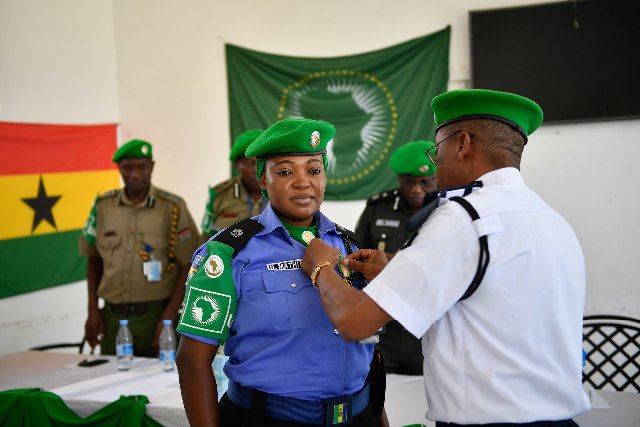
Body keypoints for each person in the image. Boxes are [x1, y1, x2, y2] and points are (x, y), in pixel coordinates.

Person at [300, 89, 591, 426]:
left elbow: (353, 322)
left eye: (437, 150)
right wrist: (396, 273)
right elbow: (491, 302)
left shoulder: (463, 218)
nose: (435, 164)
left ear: (462, 144)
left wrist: (321, 267)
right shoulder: (551, 220)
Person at [175, 118, 389, 427]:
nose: (303, 182)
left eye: (314, 170)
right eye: (286, 172)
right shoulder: (227, 253)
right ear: (263, 180)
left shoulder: (349, 246)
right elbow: (192, 361)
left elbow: (367, 351)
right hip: (270, 418)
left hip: (358, 414)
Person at [79, 139, 200, 357]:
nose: (135, 174)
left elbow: (189, 264)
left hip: (156, 317)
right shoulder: (103, 207)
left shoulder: (172, 208)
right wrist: (92, 310)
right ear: (120, 169)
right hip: (112, 319)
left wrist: (168, 318)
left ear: (151, 167)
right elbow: (94, 259)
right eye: (128, 168)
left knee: (162, 386)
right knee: (112, 382)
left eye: (141, 167)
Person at [355, 140, 437, 375]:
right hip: (385, 326)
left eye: (425, 182)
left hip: (426, 326)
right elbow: (357, 255)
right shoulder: (378, 207)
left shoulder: (448, 210)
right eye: (409, 182)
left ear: (437, 178)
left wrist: (397, 261)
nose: (416, 189)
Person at [200, 129, 267, 241]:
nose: (256, 169)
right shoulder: (219, 196)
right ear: (238, 165)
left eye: (260, 162)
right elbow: (205, 242)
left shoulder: (285, 192)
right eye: (248, 163)